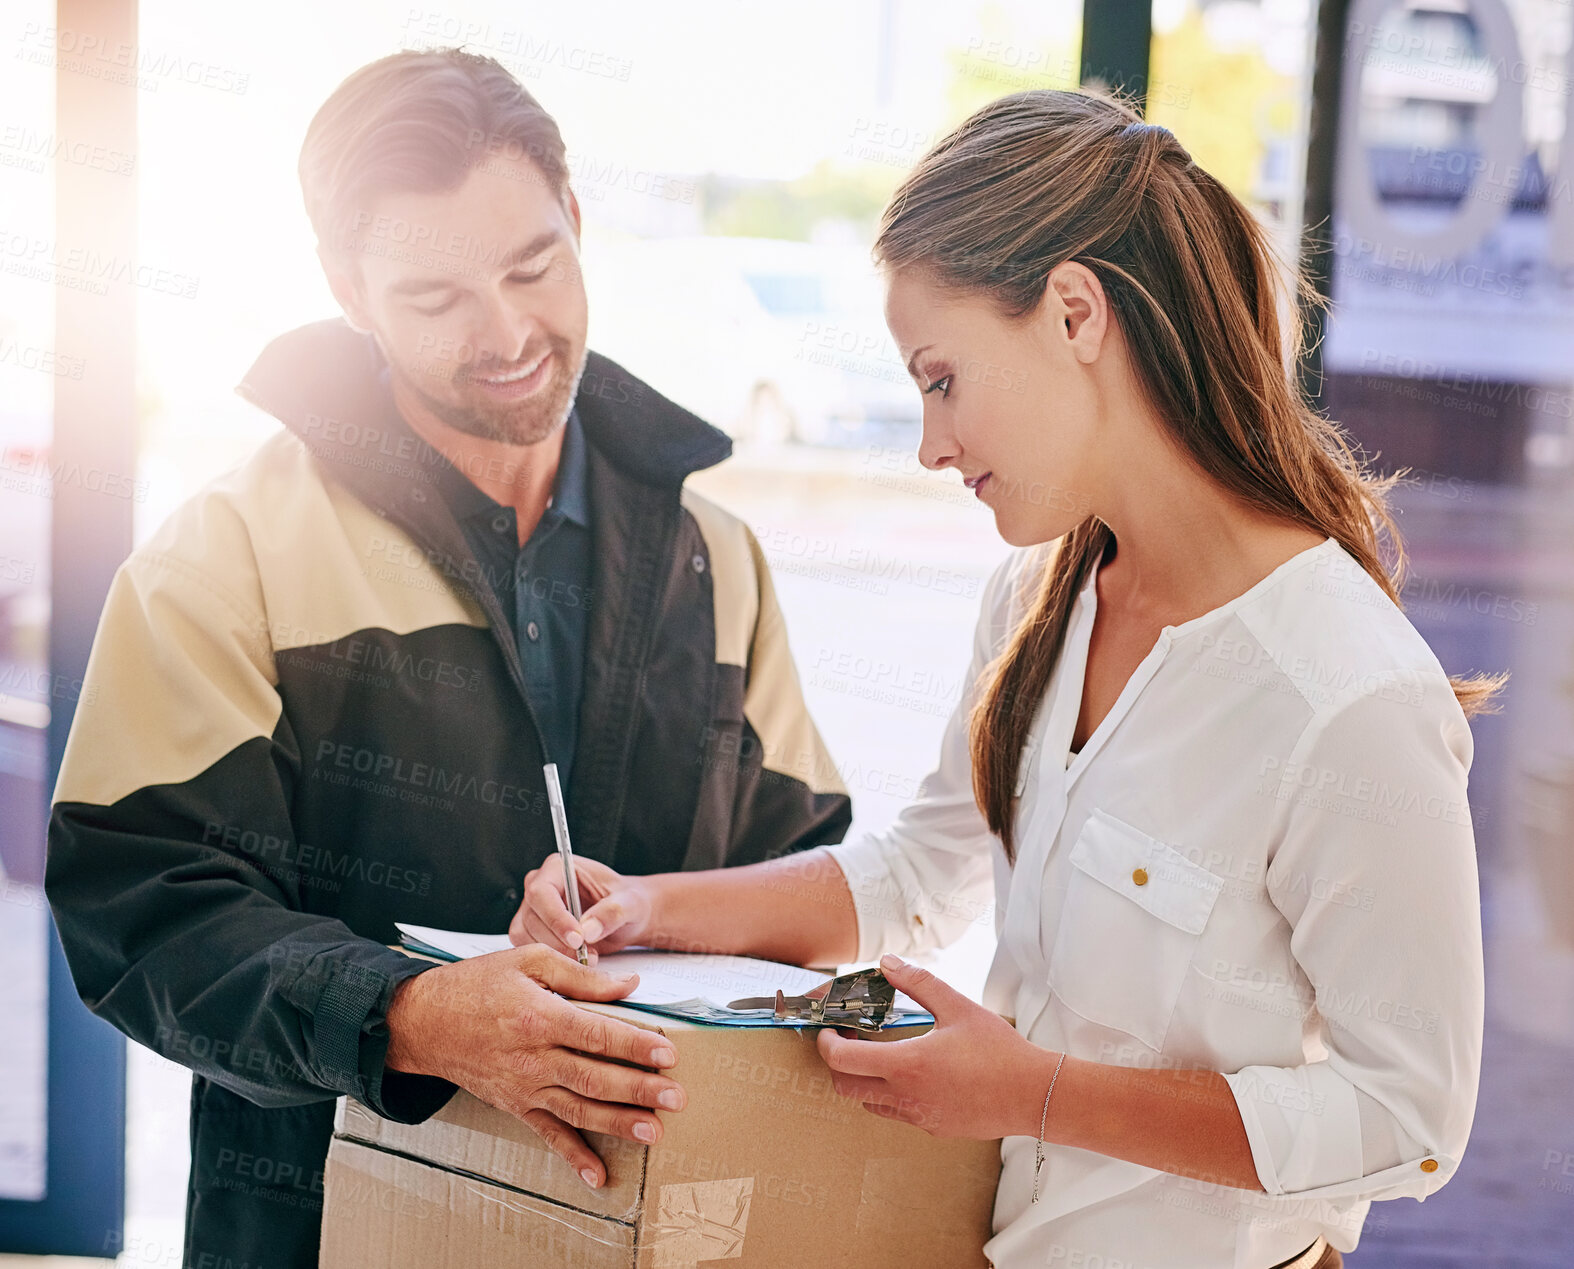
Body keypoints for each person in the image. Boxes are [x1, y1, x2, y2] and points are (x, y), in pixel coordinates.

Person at [512, 89, 1504, 1269]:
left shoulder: (1343, 696)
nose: (930, 444)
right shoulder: (1038, 601)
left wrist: (1027, 1093)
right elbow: (919, 873)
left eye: (942, 380)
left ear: (1074, 312)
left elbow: (1408, 1122)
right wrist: (647, 912)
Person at [44, 48, 852, 1269]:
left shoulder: (715, 559)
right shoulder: (224, 557)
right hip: (319, 1232)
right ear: (348, 289)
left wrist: (670, 936)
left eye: (535, 266)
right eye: (435, 299)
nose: (509, 332)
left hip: (649, 1224)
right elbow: (139, 911)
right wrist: (409, 1016)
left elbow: (808, 882)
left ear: (576, 218)